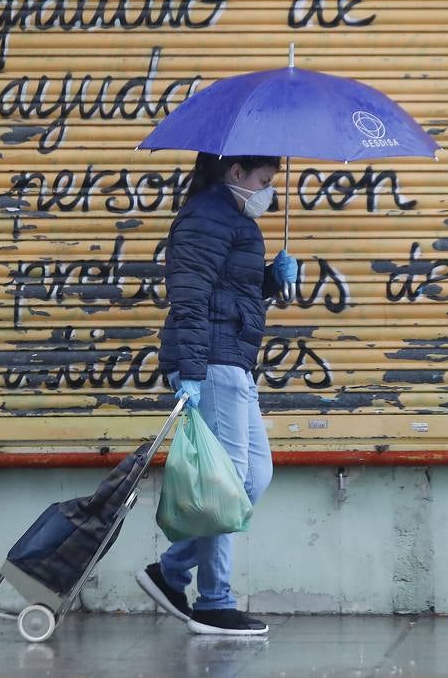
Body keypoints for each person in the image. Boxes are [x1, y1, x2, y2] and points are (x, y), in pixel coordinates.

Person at [136, 151, 297, 637]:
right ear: (236, 173)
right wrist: (191, 368)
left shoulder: (230, 218)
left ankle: (171, 571)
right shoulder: (205, 217)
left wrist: (273, 278)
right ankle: (213, 601)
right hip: (211, 363)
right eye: (265, 180)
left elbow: (233, 291)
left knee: (254, 477)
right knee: (227, 483)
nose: (269, 191)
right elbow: (190, 296)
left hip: (233, 361)